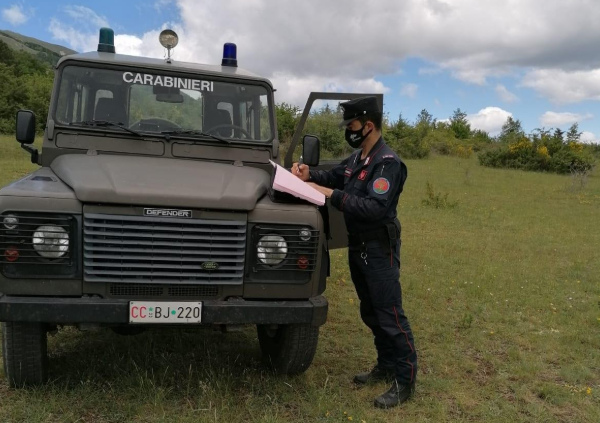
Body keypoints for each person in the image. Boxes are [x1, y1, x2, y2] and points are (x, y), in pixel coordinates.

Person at [291, 96, 417, 409]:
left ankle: (405, 380)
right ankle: (385, 365)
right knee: (371, 311)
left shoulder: (387, 163)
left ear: (368, 125)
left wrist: (328, 194)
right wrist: (310, 175)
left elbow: (374, 207)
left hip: (378, 247)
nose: (349, 129)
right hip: (359, 246)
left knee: (390, 314)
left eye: (352, 124)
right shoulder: (359, 157)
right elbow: (335, 176)